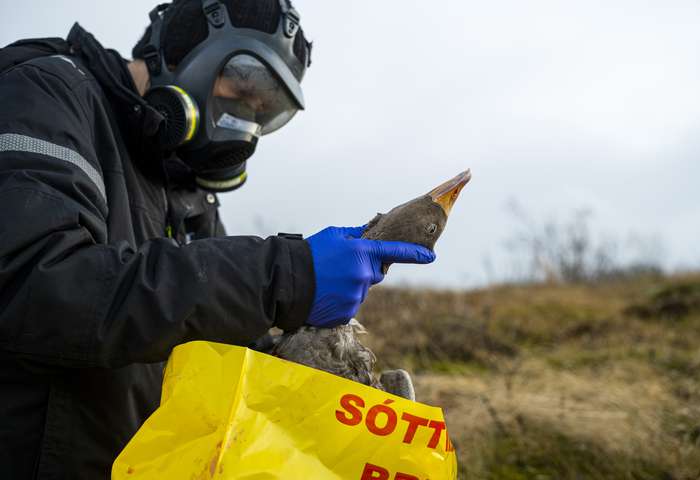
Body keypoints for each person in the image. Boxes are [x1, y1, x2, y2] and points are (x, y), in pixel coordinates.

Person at [0, 0, 435, 477]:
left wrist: (318, 375)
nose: (245, 122)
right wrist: (286, 276)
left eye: (264, 112)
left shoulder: (184, 186)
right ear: (186, 48)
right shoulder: (44, 93)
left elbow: (215, 339)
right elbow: (39, 288)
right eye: (244, 88)